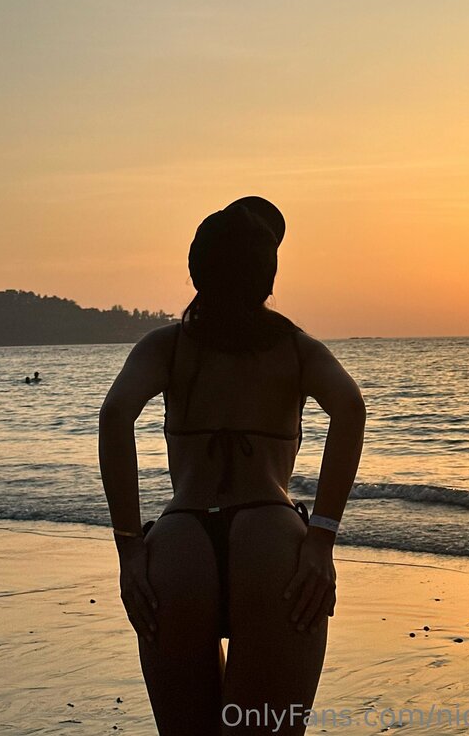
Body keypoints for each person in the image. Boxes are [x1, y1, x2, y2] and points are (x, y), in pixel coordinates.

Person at [98, 197, 366, 735]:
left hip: (180, 546)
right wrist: (321, 537)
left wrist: (129, 547)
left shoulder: (166, 346)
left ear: (197, 270)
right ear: (268, 276)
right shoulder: (296, 349)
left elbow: (115, 414)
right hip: (271, 543)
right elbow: (351, 408)